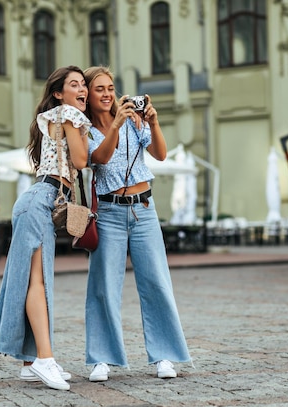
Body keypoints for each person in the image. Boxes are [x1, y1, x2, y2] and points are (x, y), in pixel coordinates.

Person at [83, 66, 192, 382]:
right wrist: (115, 125)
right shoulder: (85, 129)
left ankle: (164, 356)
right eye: (99, 89)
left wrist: (153, 122)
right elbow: (100, 158)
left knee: (156, 281)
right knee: (104, 286)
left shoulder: (133, 121)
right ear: (89, 94)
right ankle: (102, 358)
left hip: (143, 210)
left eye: (110, 88)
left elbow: (159, 153)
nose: (106, 94)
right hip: (109, 213)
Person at [0, 66, 90, 391]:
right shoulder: (67, 115)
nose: (82, 89)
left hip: (40, 201)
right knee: (37, 281)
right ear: (58, 93)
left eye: (83, 83)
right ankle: (45, 358)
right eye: (74, 84)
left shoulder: (59, 116)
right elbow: (83, 160)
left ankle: (32, 362)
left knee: (36, 280)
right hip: (40, 200)